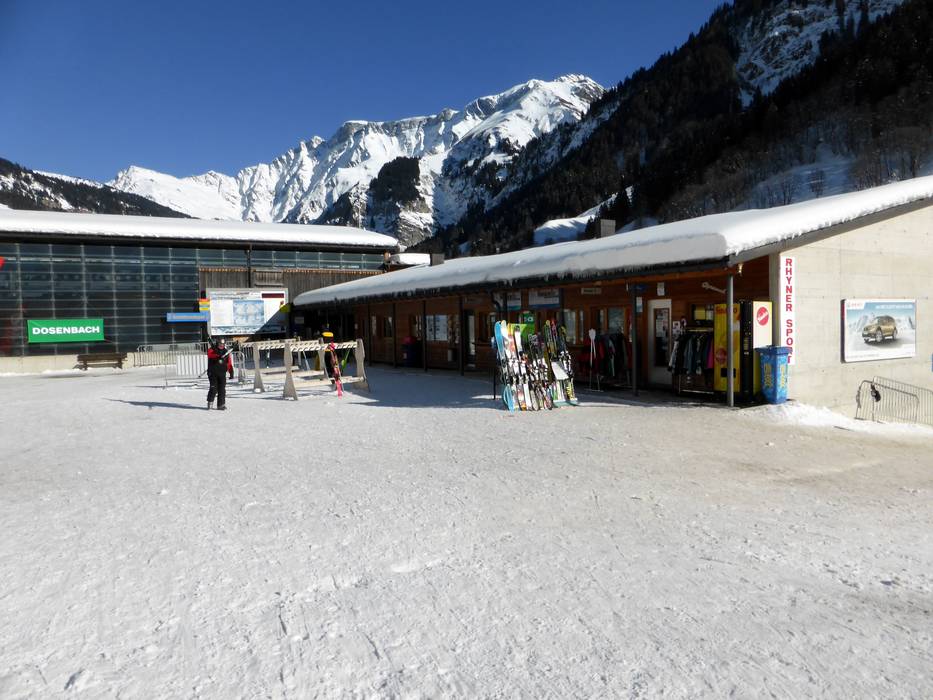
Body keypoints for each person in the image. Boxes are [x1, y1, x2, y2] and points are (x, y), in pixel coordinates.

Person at [207, 338, 234, 410]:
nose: (221, 345)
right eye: (220, 344)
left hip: (222, 373)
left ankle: (221, 405)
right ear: (217, 343)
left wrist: (231, 371)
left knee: (222, 389)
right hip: (213, 373)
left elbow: (229, 363)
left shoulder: (226, 352)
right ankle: (210, 403)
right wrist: (218, 356)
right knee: (214, 388)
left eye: (223, 344)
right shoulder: (212, 349)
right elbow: (210, 355)